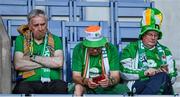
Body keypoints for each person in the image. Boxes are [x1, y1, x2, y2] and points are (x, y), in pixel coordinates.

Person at [120, 8, 177, 95]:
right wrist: (145, 72)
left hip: (163, 84)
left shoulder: (165, 51)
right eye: (150, 34)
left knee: (163, 77)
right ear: (143, 35)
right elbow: (123, 72)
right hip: (139, 85)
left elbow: (173, 76)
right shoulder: (131, 48)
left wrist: (165, 73)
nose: (153, 37)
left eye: (156, 35)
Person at [13, 9, 67, 94]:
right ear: (29, 26)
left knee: (61, 86)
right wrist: (48, 62)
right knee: (21, 88)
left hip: (52, 82)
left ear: (47, 24)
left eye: (43, 24)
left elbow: (59, 63)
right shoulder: (21, 39)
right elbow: (18, 64)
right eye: (36, 25)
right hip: (28, 82)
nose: (40, 28)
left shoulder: (55, 39)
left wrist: (32, 57)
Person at [71, 25, 129, 96]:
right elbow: (76, 76)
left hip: (107, 86)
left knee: (124, 89)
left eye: (98, 47)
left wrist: (110, 81)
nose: (95, 50)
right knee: (77, 88)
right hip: (85, 85)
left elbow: (115, 76)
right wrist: (86, 81)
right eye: (92, 48)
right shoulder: (79, 49)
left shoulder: (111, 49)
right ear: (86, 45)